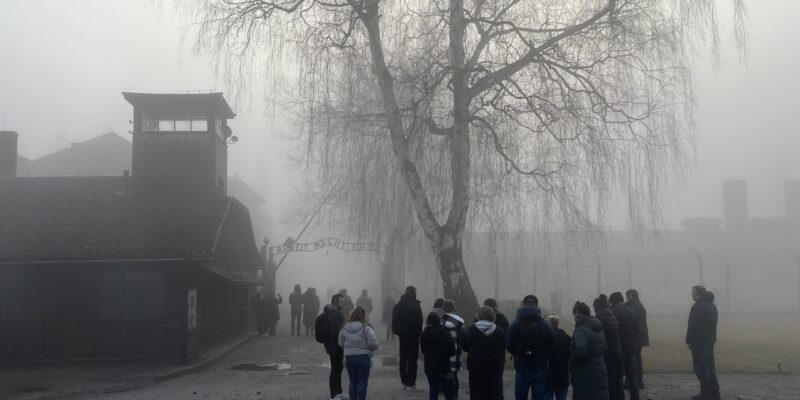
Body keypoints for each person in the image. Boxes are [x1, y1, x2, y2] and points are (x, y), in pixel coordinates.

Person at [507, 294, 556, 400]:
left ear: (523, 305)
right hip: (540, 366)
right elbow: (553, 344)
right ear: (537, 306)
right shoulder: (544, 324)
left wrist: (517, 352)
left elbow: (509, 345)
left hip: (521, 366)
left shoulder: (515, 324)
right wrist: (545, 355)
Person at [462, 306, 507, 400]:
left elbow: (465, 347)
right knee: (494, 393)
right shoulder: (499, 331)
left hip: (476, 366)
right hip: (494, 366)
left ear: (478, 316)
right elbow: (504, 346)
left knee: (477, 392)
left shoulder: (472, 330)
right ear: (493, 316)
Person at [338, 306, 380, 400]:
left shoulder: (344, 328)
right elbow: (373, 344)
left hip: (350, 358)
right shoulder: (367, 328)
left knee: (352, 382)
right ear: (363, 316)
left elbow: (340, 343)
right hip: (364, 358)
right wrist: (371, 349)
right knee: (362, 382)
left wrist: (348, 349)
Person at [686, 285, 720, 400]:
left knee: (701, 368)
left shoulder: (698, 306)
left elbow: (693, 324)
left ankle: (705, 393)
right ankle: (714, 392)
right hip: (709, 341)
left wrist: (689, 340)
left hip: (699, 342)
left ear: (698, 294)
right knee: (710, 367)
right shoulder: (712, 305)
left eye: (692, 292)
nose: (691, 294)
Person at [570, 301, 609, 400]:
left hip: (585, 372)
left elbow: (581, 351)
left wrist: (572, 361)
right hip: (600, 368)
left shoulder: (581, 330)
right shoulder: (599, 328)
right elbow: (605, 348)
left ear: (577, 313)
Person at [609, 292, 640, 400]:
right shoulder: (631, 312)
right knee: (632, 375)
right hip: (631, 347)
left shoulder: (613, 312)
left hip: (619, 347)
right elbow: (636, 329)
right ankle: (635, 397)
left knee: (618, 375)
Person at [392, 286, 423, 391]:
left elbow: (394, 319)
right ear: (414, 292)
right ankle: (411, 383)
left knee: (403, 358)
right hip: (413, 336)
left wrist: (398, 332)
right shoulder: (416, 305)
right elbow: (419, 321)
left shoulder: (399, 304)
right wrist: (419, 334)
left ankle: (404, 382)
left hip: (403, 336)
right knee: (412, 360)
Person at [593, 294, 623, 400]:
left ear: (596, 307)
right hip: (617, 352)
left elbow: (600, 339)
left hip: (609, 355)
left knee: (610, 383)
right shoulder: (611, 315)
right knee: (618, 383)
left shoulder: (601, 318)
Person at [420, 312, 456, 400]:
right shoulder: (446, 333)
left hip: (430, 366)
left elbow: (423, 350)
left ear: (428, 321)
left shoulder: (424, 334)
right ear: (439, 321)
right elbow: (452, 351)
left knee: (433, 388)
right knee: (448, 389)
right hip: (445, 366)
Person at [323, 294, 347, 400]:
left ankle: (338, 392)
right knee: (335, 370)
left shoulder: (332, 313)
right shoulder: (336, 315)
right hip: (335, 346)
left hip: (332, 346)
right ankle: (334, 395)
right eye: (341, 301)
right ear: (335, 302)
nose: (343, 303)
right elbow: (335, 333)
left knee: (338, 369)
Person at [625, 289, 648, 389]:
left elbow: (635, 324)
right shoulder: (637, 306)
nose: (626, 298)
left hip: (635, 338)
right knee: (636, 359)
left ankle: (636, 381)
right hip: (638, 337)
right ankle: (637, 381)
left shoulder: (636, 307)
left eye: (627, 296)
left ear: (631, 296)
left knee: (634, 360)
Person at [441, 300, 465, 398]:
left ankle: (445, 392)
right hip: (456, 349)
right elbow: (462, 337)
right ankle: (454, 394)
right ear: (454, 308)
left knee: (444, 372)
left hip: (444, 350)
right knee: (454, 373)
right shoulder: (460, 321)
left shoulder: (440, 320)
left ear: (444, 308)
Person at [543, 314, 570, 400]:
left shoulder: (544, 337)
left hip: (548, 374)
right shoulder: (566, 337)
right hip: (563, 373)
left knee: (547, 396)